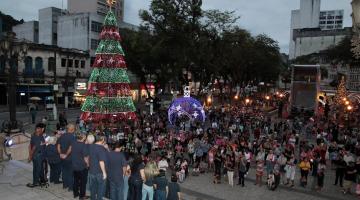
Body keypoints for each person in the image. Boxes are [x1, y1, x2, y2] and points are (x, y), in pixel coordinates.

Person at [57, 123, 76, 190]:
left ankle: (65, 185)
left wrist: (60, 154)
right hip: (69, 158)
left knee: (64, 172)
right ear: (72, 129)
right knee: (70, 173)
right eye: (74, 129)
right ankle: (70, 187)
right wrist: (66, 155)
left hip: (62, 158)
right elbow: (71, 147)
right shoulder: (72, 137)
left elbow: (58, 146)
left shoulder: (62, 136)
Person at [88, 135, 108, 200]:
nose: (105, 142)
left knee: (93, 188)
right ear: (102, 140)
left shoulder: (91, 146)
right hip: (99, 172)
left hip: (91, 171)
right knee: (100, 188)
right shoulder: (101, 149)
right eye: (105, 141)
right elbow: (101, 161)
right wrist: (104, 173)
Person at [27, 123, 45, 187]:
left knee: (40, 168)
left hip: (40, 155)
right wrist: (30, 156)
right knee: (37, 169)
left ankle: (42, 180)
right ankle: (35, 182)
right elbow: (33, 148)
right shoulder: (37, 137)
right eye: (41, 130)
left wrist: (45, 143)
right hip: (37, 156)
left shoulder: (38, 135)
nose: (42, 130)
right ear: (38, 131)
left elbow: (40, 144)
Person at [72, 134, 89, 199]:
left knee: (76, 180)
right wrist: (88, 164)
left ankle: (75, 193)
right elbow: (85, 157)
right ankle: (82, 196)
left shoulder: (74, 143)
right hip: (82, 166)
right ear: (83, 138)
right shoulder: (83, 145)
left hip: (74, 165)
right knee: (83, 182)